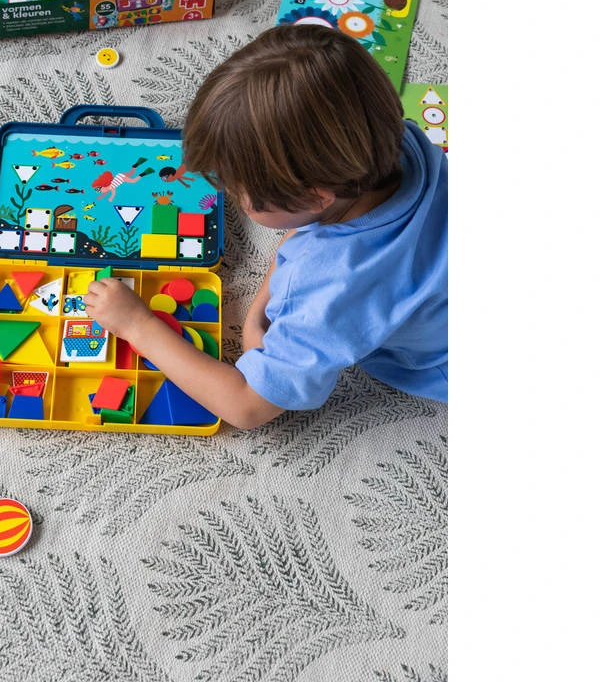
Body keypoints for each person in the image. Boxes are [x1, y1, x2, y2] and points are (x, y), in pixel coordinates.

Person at [84, 24, 447, 429]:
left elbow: (247, 407)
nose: (231, 195)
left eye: (240, 193)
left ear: (315, 198)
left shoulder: (328, 288)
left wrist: (139, 325)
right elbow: (304, 236)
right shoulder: (400, 142)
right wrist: (259, 311)